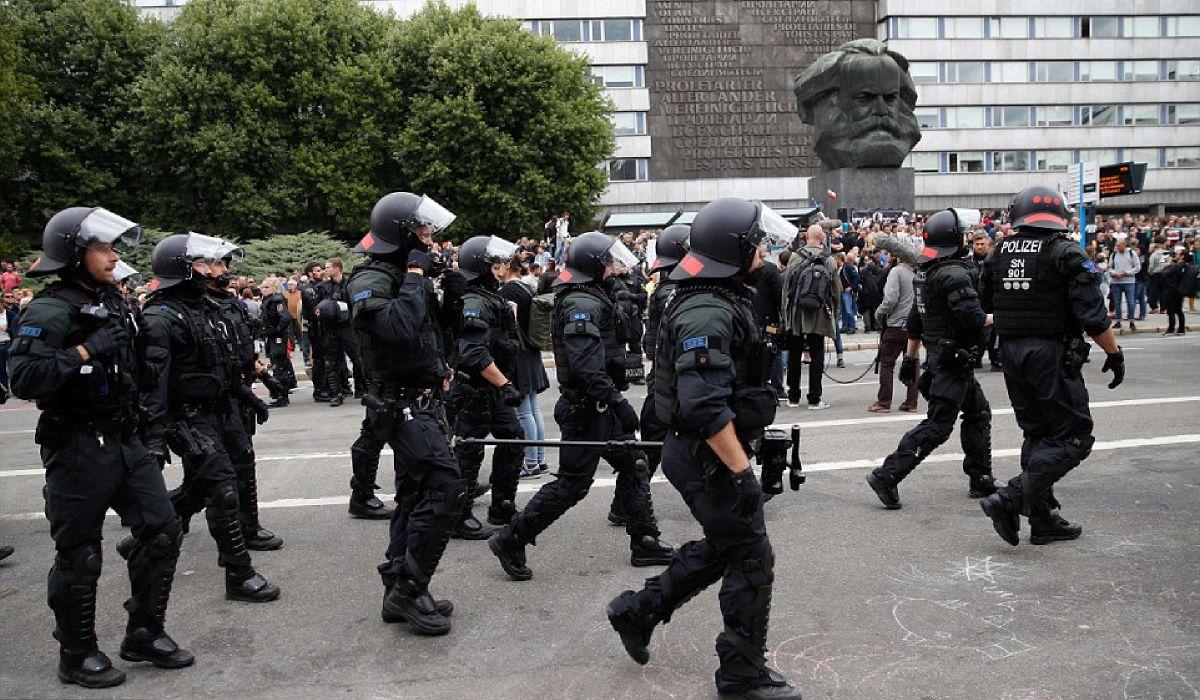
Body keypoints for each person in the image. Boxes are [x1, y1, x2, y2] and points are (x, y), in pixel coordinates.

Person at [605, 198, 802, 700]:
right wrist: (742, 474)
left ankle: (638, 611)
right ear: (734, 249)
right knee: (752, 558)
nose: (763, 249)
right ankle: (741, 674)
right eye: (756, 241)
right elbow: (703, 406)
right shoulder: (707, 309)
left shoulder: (719, 294)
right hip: (705, 456)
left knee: (726, 545)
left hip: (703, 453)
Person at [10, 207, 194, 687]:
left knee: (161, 528)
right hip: (76, 444)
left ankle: (144, 632)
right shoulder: (50, 308)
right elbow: (24, 378)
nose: (114, 258)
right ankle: (77, 652)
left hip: (125, 436)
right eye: (103, 249)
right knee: (80, 553)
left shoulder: (114, 302)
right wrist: (85, 351)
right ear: (75, 254)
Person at [488, 232, 673, 581]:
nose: (613, 267)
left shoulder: (591, 296)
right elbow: (586, 366)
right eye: (607, 262)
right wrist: (617, 402)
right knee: (573, 484)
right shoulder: (581, 305)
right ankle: (512, 539)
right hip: (588, 409)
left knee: (634, 463)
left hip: (598, 406)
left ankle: (645, 540)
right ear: (593, 265)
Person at [978, 186, 1125, 546]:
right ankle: (1011, 498)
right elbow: (1093, 316)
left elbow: (985, 304)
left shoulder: (998, 254)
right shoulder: (1067, 253)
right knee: (1075, 436)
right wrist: (1114, 354)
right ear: (1059, 216)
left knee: (1038, 434)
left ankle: (1042, 519)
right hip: (1051, 353)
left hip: (1012, 353)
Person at [142, 233, 282, 603]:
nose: (216, 270)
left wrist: (248, 396)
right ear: (182, 269)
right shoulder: (159, 318)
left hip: (221, 409)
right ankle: (239, 573)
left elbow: (222, 367)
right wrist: (155, 438)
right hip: (188, 418)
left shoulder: (206, 309)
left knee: (221, 480)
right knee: (221, 488)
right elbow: (152, 386)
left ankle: (152, 529)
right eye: (206, 263)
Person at [346, 191, 461, 635]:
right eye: (424, 231)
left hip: (425, 399)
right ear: (403, 234)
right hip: (398, 403)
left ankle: (401, 587)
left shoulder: (408, 275)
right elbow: (396, 328)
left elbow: (431, 334)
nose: (431, 239)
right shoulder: (369, 280)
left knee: (415, 495)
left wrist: (447, 288)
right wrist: (415, 274)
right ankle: (410, 588)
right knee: (445, 488)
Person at [866, 209, 998, 509]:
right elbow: (973, 320)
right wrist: (1005, 316)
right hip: (953, 359)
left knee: (978, 414)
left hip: (945, 356)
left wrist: (911, 359)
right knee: (938, 426)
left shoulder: (926, 272)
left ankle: (980, 477)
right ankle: (887, 475)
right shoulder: (953, 273)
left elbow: (916, 319)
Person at [202, 243, 284, 552]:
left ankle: (248, 526)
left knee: (242, 463)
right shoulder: (195, 306)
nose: (225, 271)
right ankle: (165, 521)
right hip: (210, 400)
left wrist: (264, 379)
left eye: (225, 264)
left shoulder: (230, 303)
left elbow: (242, 350)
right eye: (218, 265)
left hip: (236, 393)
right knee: (210, 476)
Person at [610, 224, 690, 528]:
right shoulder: (675, 291)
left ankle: (622, 504)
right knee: (652, 451)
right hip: (670, 383)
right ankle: (628, 507)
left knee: (650, 451)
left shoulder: (665, 288)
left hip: (662, 378)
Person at [448, 235, 526, 539]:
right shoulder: (474, 301)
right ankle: (458, 516)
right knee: (469, 452)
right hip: (475, 390)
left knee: (514, 439)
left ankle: (502, 505)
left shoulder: (489, 297)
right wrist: (505, 383)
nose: (502, 268)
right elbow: (473, 353)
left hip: (493, 389)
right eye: (495, 264)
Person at [499, 259, 551, 481]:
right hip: (531, 350)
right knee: (532, 408)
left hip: (518, 353)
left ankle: (530, 463)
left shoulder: (509, 290)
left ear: (507, 266)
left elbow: (509, 322)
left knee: (523, 411)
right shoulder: (527, 286)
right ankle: (538, 459)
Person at [780, 225, 839, 410]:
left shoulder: (795, 257)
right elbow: (836, 290)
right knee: (817, 354)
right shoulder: (829, 259)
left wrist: (785, 312)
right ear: (822, 238)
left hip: (797, 313)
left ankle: (793, 397)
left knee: (794, 353)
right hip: (819, 312)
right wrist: (834, 312)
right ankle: (814, 398)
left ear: (806, 237)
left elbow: (787, 287)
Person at [869, 250, 919, 413]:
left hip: (896, 325)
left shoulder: (896, 272)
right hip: (913, 325)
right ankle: (911, 402)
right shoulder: (916, 273)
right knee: (912, 362)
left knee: (887, 364)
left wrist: (880, 312)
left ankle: (884, 402)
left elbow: (890, 298)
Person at [315, 258, 363, 407]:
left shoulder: (350, 284)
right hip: (330, 328)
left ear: (337, 268)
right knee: (331, 362)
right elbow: (316, 307)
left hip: (348, 327)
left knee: (357, 358)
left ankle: (362, 389)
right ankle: (336, 393)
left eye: (328, 267)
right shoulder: (323, 287)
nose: (325, 270)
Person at [259, 279, 296, 406]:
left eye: (266, 287)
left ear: (274, 288)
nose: (263, 289)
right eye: (262, 286)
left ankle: (282, 395)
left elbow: (286, 317)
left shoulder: (277, 300)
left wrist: (277, 329)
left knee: (278, 364)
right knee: (278, 363)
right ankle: (280, 393)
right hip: (272, 337)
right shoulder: (267, 301)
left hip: (278, 338)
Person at [1161, 247, 1197, 335]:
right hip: (1180, 290)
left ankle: (1171, 329)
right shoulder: (1187, 266)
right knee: (1179, 310)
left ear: (1182, 256)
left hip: (1171, 290)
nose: (1176, 255)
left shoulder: (1176, 266)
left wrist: (1169, 264)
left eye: (1178, 254)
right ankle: (1181, 329)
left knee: (1171, 310)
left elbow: (1165, 274)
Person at [1107, 237, 1139, 330]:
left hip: (1129, 281)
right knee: (1117, 302)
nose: (1117, 247)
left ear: (1124, 245)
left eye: (1119, 245)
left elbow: (1137, 267)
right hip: (1116, 281)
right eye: (1116, 245)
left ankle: (1131, 321)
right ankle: (1118, 321)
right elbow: (1109, 267)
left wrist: (1127, 273)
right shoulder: (1113, 254)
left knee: (1131, 302)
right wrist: (1114, 274)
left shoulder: (1131, 254)